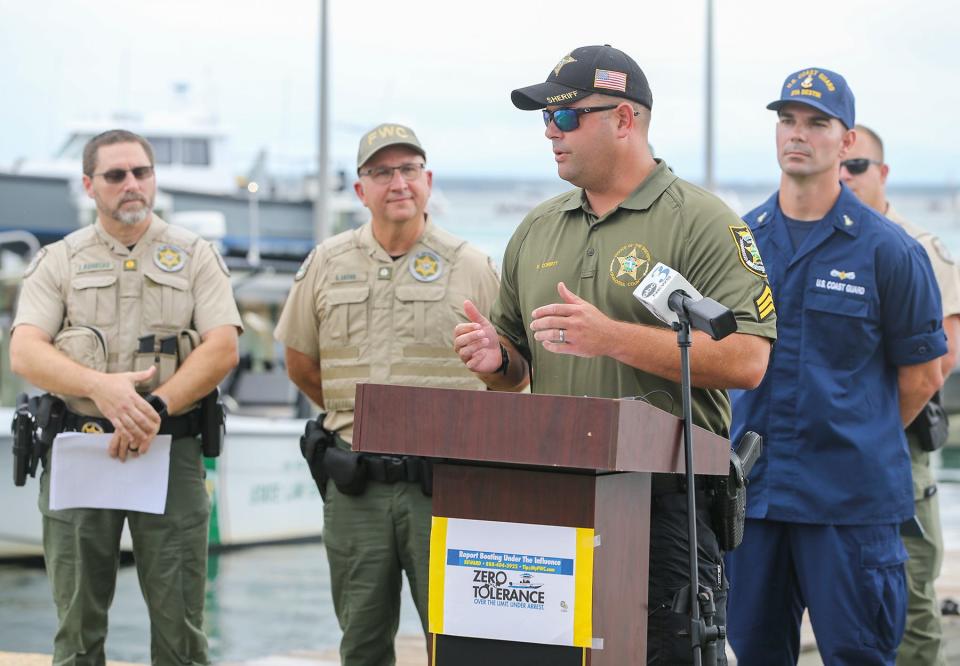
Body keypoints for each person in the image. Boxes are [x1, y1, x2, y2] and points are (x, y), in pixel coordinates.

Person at [453, 44, 778, 664]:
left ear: (625, 120)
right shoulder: (536, 229)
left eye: (567, 117)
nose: (551, 131)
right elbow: (516, 369)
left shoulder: (704, 222)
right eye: (545, 118)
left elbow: (746, 360)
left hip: (666, 501)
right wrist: (498, 361)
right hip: (551, 491)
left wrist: (613, 336)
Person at [725, 69, 947, 666]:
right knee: (754, 654)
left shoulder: (888, 250)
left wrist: (859, 436)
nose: (799, 134)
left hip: (850, 508)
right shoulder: (741, 241)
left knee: (859, 655)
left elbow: (924, 376)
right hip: (757, 500)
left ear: (846, 142)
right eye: (788, 120)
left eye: (817, 122)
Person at [9, 129, 242, 665]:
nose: (131, 184)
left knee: (181, 630)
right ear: (90, 185)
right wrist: (102, 389)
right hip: (81, 449)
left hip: (170, 450)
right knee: (77, 628)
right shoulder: (59, 261)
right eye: (115, 175)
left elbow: (222, 348)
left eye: (141, 172)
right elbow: (25, 352)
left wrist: (152, 410)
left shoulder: (195, 257)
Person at [274, 123, 500, 666]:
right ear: (360, 190)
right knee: (361, 642)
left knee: (456, 643)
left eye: (408, 169)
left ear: (428, 180)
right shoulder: (327, 263)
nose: (397, 182)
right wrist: (351, 414)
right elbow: (302, 362)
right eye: (381, 172)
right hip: (357, 488)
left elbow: (510, 370)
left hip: (443, 487)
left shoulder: (470, 264)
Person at [840, 123, 960, 666]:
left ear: (883, 173)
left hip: (897, 440)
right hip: (827, 442)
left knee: (910, 593)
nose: (845, 175)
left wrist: (874, 430)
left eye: (858, 166)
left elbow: (942, 360)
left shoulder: (919, 248)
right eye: (839, 165)